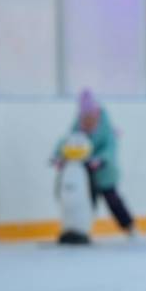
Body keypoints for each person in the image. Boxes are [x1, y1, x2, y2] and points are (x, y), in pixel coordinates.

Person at [53, 89, 137, 238]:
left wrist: (101, 159)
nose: (87, 120)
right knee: (84, 201)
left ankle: (129, 226)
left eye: (90, 117)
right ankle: (81, 229)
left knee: (113, 200)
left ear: (96, 113)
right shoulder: (78, 125)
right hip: (85, 173)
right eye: (85, 117)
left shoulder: (106, 128)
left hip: (105, 173)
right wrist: (58, 156)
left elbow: (110, 149)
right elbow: (67, 142)